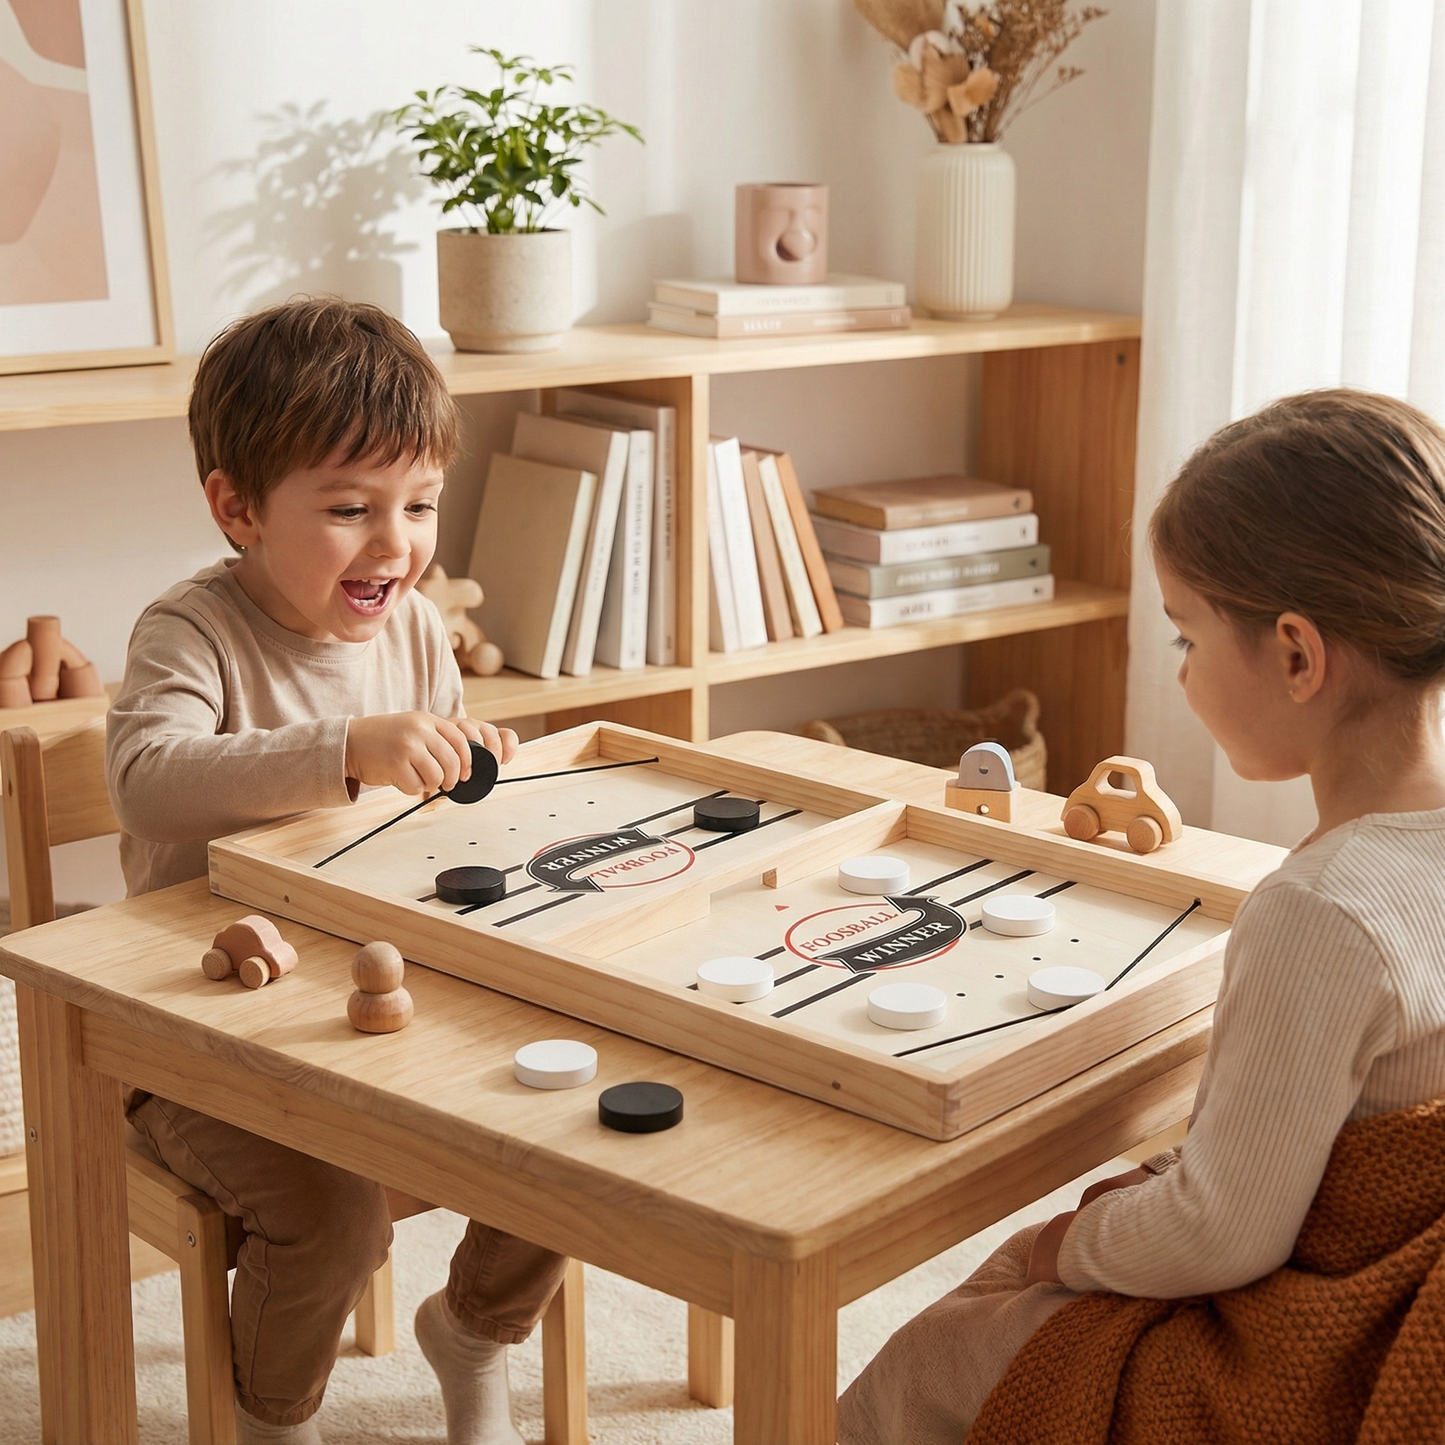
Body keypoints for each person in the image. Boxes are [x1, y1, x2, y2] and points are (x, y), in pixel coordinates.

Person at [837, 388, 1445, 1443]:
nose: (1178, 670)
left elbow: (1218, 1231)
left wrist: (1061, 1247)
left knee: (922, 1364)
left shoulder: (1321, 913)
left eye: (1184, 634)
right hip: (1392, 1293)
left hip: (1316, 1339)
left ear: (1296, 655)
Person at [107, 297, 566, 1445]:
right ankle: (271, 1414)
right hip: (188, 1033)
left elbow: (432, 826)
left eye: (417, 505)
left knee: (571, 1117)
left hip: (372, 998)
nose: (395, 544)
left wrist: (470, 771)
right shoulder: (192, 630)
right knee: (331, 1214)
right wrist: (346, 750)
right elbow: (146, 779)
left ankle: (471, 1328)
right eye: (351, 509)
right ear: (238, 507)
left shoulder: (411, 628)